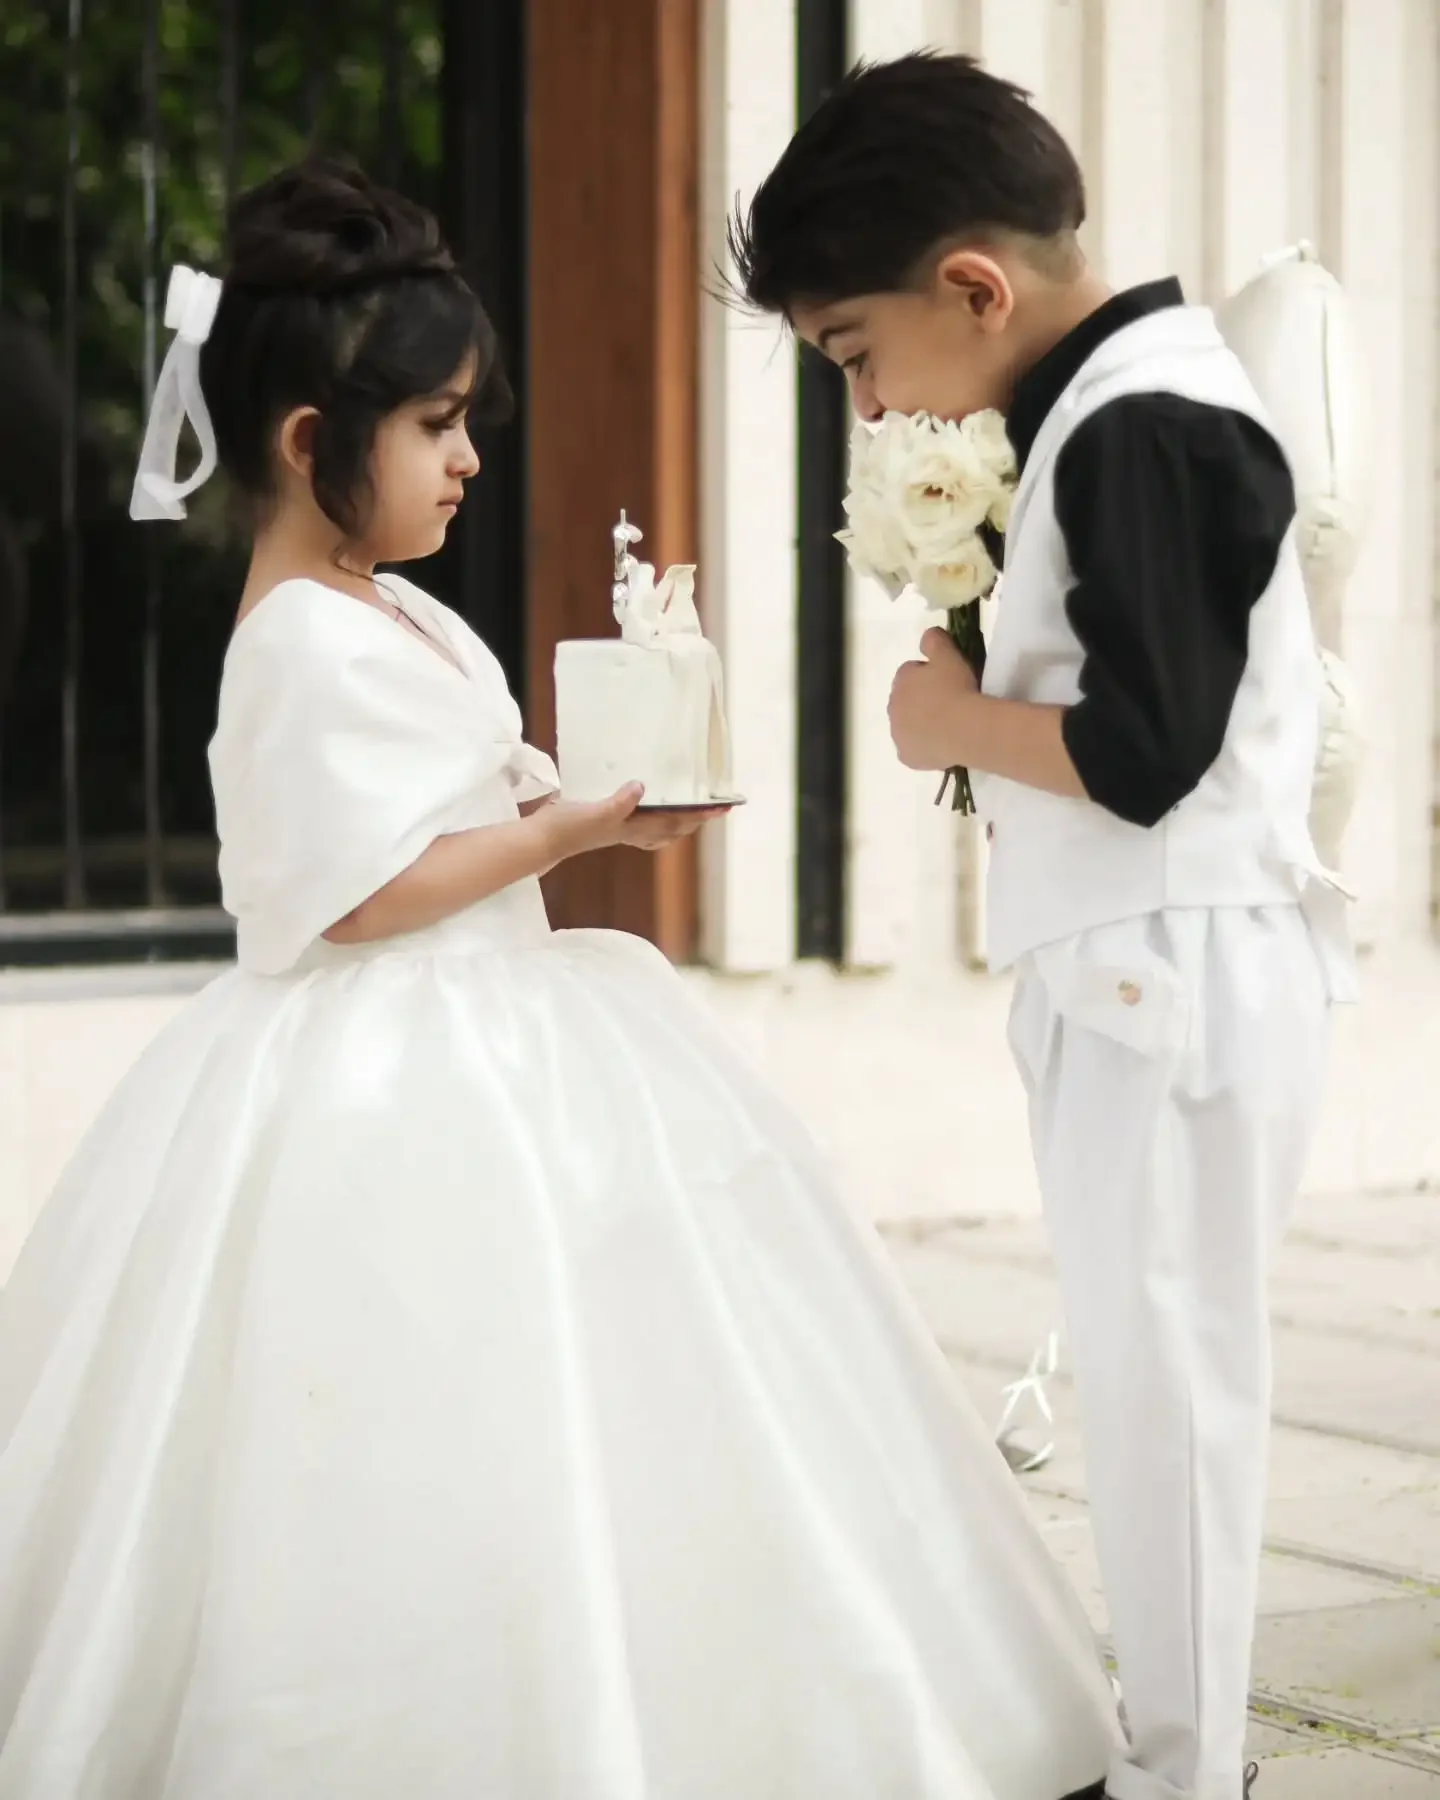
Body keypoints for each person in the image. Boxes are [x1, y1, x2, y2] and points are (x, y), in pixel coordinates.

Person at [0, 157, 1118, 1800]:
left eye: (466, 422)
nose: (467, 459)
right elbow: (356, 893)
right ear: (313, 444)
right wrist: (564, 834)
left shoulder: (389, 612)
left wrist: (597, 811)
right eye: (436, 427)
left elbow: (465, 804)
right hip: (381, 1059)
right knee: (410, 1409)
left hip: (500, 1016)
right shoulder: (291, 640)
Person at [730, 52, 1355, 1800]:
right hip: (1158, 962)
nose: (867, 413)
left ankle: (1184, 1768)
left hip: (1174, 966)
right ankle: (1184, 1753)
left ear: (973, 288)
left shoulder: (1143, 421)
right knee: (1159, 1381)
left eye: (856, 358)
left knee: (1170, 1396)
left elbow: (1148, 752)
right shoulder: (1126, 400)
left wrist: (947, 724)